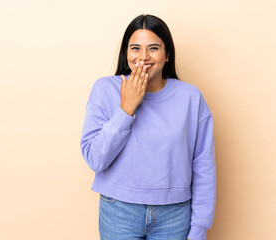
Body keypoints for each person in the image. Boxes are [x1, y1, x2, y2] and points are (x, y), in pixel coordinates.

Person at [80, 14, 216, 240]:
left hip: (175, 215)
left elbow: (204, 165)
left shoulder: (190, 97)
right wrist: (126, 108)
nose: (143, 56)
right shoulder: (104, 90)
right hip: (118, 212)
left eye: (153, 48)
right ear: (126, 53)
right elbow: (95, 159)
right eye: (135, 48)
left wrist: (200, 227)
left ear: (167, 54)